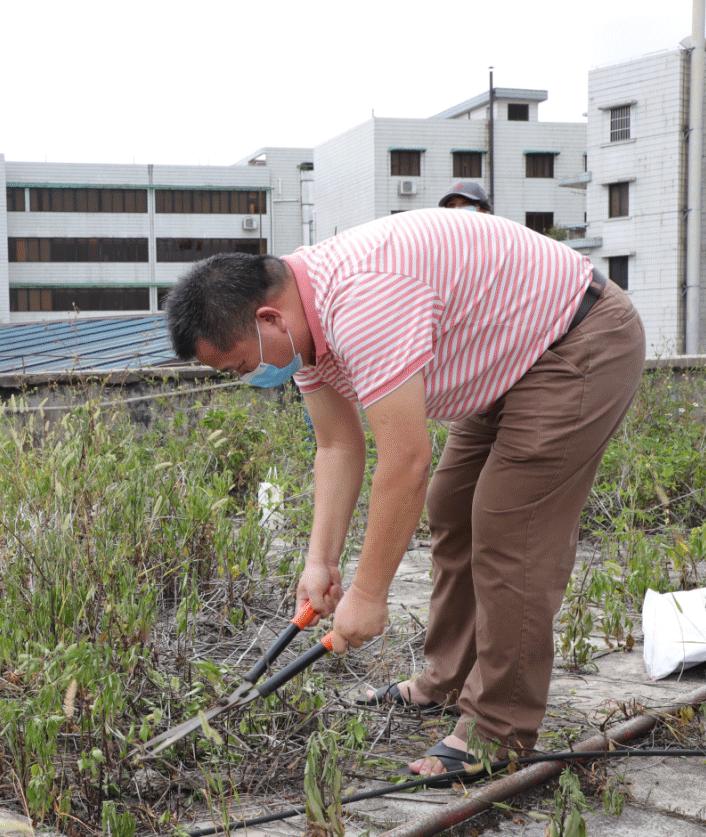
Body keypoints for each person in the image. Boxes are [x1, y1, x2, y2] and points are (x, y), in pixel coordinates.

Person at [165, 209, 644, 778]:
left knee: (509, 528)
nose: (246, 378)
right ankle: (445, 680)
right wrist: (320, 564)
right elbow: (338, 448)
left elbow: (406, 459)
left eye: (241, 364)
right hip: (509, 357)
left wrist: (368, 594)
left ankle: (498, 730)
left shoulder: (363, 299)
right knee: (452, 505)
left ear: (268, 317)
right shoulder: (302, 329)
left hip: (577, 338)